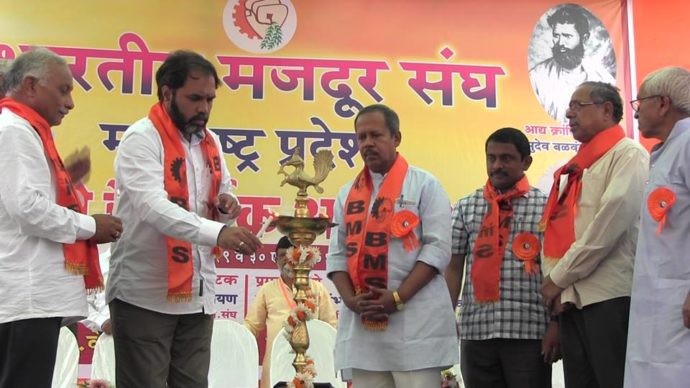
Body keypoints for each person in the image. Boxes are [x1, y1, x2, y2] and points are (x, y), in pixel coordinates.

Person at [107, 50, 262, 388]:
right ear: (166, 93)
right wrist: (218, 233)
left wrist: (227, 205)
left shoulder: (211, 141)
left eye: (209, 99)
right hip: (145, 293)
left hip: (197, 293)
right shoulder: (141, 138)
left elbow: (226, 188)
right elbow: (152, 207)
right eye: (194, 98)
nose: (204, 108)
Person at [0, 47, 122, 388]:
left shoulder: (25, 130)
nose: (70, 103)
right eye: (63, 90)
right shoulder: (14, 130)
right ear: (30, 85)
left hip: (31, 295)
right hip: (25, 294)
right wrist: (90, 227)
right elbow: (26, 208)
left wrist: (65, 177)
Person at [326, 104, 457, 387]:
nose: (368, 143)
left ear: (396, 138)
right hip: (363, 324)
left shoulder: (425, 185)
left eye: (376, 135)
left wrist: (397, 298)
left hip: (415, 322)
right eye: (361, 137)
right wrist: (350, 300)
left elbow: (438, 250)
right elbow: (336, 255)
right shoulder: (347, 193)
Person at [540, 81, 648, 388]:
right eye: (569, 107)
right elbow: (556, 233)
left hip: (609, 296)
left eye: (578, 106)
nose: (569, 114)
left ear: (607, 110)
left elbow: (606, 229)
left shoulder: (628, 155)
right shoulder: (573, 168)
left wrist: (558, 278)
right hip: (573, 299)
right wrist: (560, 288)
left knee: (614, 381)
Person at [445, 127, 557, 388]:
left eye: (506, 158)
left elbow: (556, 271)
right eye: (491, 158)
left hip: (528, 331)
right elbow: (453, 268)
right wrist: (446, 316)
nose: (497, 165)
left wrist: (557, 324)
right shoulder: (466, 206)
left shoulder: (546, 207)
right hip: (476, 330)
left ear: (526, 162)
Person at [624, 67, 690, 388]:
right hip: (659, 300)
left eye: (640, 103)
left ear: (663, 103)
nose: (636, 113)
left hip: (680, 300)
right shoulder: (666, 151)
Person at [244, 236, 338, 388]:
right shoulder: (267, 290)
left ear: (298, 257)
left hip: (311, 363)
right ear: (275, 260)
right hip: (276, 362)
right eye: (281, 256)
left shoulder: (318, 289)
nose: (286, 260)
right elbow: (251, 326)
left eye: (290, 254)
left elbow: (331, 328)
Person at [529, 4, 616, 123]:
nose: (560, 43)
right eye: (556, 36)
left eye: (567, 36)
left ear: (584, 38)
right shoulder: (537, 77)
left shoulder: (603, 79)